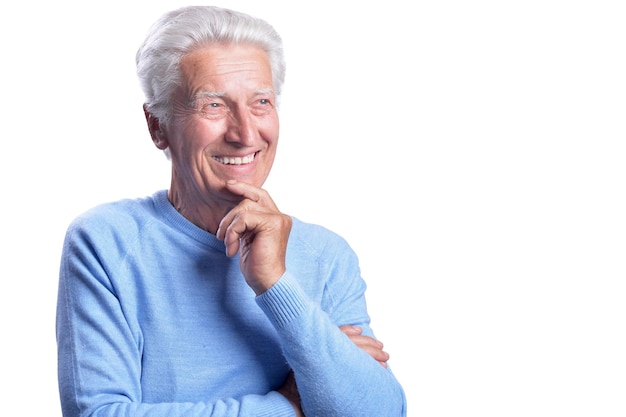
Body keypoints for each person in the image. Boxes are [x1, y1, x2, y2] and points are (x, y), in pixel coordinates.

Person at [56, 5, 407, 417]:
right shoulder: (106, 242)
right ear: (157, 126)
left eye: (261, 102)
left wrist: (275, 283)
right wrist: (288, 407)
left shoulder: (325, 254)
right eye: (214, 106)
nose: (245, 134)